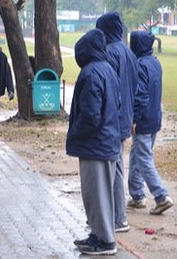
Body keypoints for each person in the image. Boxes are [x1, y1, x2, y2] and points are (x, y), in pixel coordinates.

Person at [67, 29, 120, 255]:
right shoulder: (108, 69)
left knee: (95, 194)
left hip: (94, 144)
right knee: (100, 194)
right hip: (106, 142)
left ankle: (105, 240)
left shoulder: (91, 73)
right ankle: (98, 234)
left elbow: (90, 115)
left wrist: (75, 134)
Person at [96, 12, 138, 233]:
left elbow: (108, 88)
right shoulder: (129, 54)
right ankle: (116, 217)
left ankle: (117, 218)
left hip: (112, 119)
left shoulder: (110, 53)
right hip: (124, 118)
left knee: (112, 169)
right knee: (117, 166)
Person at [127, 30, 174, 215]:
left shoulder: (140, 65)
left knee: (144, 158)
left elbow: (140, 96)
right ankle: (137, 195)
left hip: (144, 120)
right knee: (136, 155)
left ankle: (161, 196)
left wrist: (134, 119)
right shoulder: (155, 63)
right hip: (155, 118)